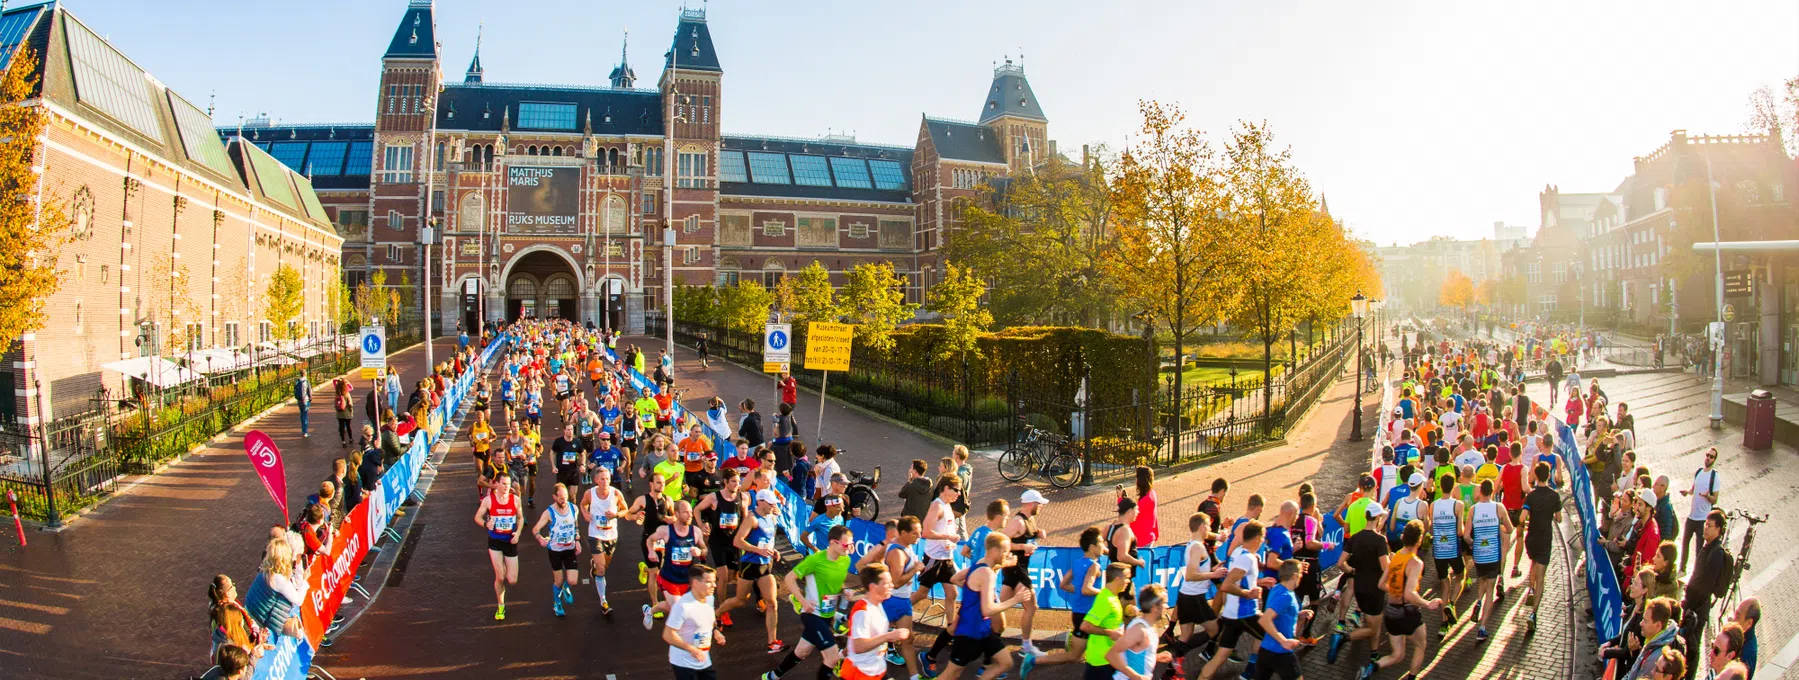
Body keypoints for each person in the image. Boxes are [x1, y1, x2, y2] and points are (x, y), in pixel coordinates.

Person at [760, 524, 855, 680]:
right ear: (833, 543)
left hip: (827, 616)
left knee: (802, 652)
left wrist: (844, 591)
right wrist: (802, 601)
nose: (849, 548)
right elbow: (790, 578)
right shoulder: (815, 560)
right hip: (812, 615)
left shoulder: (845, 561)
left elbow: (835, 583)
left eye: (851, 544)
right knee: (831, 658)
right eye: (846, 545)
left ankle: (773, 676)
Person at [1355, 520, 1441, 680]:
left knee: (1398, 655)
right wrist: (1427, 603)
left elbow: (1381, 584)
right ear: (1419, 539)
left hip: (1391, 612)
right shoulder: (1415, 563)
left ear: (1404, 537)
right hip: (1407, 611)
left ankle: (1370, 669)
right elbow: (1409, 594)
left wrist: (1396, 590)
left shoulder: (1395, 557)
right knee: (1421, 646)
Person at [937, 533, 1030, 680]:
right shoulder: (987, 574)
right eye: (1005, 551)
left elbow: (959, 578)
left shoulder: (982, 563)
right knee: (950, 675)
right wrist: (1015, 600)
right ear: (994, 551)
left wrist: (1006, 563)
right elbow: (988, 609)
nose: (1008, 554)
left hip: (984, 631)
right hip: (969, 633)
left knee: (1005, 662)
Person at [718, 488, 787, 654]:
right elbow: (737, 541)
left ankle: (772, 642)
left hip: (766, 565)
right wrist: (758, 550)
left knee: (772, 603)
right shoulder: (752, 518)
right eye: (770, 503)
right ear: (761, 502)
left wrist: (774, 551)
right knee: (741, 600)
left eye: (773, 504)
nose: (772, 506)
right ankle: (717, 613)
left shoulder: (772, 517)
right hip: (750, 564)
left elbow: (768, 540)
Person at [1197, 520, 1268, 680]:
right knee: (1275, 640)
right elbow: (1226, 585)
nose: (1263, 541)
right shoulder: (1247, 558)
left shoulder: (1237, 552)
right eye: (1263, 538)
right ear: (1257, 537)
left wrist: (1259, 582)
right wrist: (1248, 594)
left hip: (1231, 615)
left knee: (1221, 656)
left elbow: (1237, 580)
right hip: (1245, 613)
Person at [1331, 503, 1391, 664]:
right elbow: (1386, 568)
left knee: (1369, 622)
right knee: (1374, 628)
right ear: (1377, 518)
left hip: (1359, 588)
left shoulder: (1356, 537)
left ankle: (1373, 654)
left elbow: (1340, 563)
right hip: (1375, 589)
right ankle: (1345, 638)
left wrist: (1352, 571)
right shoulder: (1380, 540)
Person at [1683, 510, 1730, 680]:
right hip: (1693, 605)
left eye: (1709, 526)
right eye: (1705, 525)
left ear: (1718, 530)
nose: (1705, 529)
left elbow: (1705, 585)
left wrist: (1690, 605)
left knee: (1692, 648)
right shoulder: (1707, 546)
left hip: (1698, 609)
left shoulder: (1716, 553)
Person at [843, 563, 911, 680]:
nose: (892, 585)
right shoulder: (863, 612)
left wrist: (840, 655)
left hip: (876, 670)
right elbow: (859, 646)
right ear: (873, 587)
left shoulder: (878, 604)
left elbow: (853, 641)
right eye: (887, 583)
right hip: (860, 674)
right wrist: (888, 636)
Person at [1464, 479, 1512, 641]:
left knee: (1481, 582)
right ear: (1492, 492)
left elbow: (1466, 535)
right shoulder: (1499, 508)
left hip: (1478, 554)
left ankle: (1478, 601)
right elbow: (1510, 528)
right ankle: (1482, 628)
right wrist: (1497, 527)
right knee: (1490, 590)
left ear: (1480, 493)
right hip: (1493, 555)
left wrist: (1473, 544)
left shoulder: (1473, 510)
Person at [1520, 462, 1562, 630]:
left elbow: (1522, 518)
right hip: (1545, 538)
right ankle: (1533, 614)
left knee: (1533, 563)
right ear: (1549, 475)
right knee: (1541, 577)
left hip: (1532, 537)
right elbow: (1559, 519)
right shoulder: (1554, 496)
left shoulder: (1531, 496)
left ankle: (1530, 588)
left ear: (1536, 476)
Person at [581, 466, 628, 616]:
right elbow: (583, 504)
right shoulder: (590, 493)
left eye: (607, 478)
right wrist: (585, 514)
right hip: (595, 534)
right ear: (596, 480)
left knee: (604, 566)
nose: (605, 481)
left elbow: (625, 510)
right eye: (602, 479)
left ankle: (595, 565)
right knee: (601, 569)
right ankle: (603, 601)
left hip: (611, 535)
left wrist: (615, 515)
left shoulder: (616, 494)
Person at [474, 474, 523, 620]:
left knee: (512, 580)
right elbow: (477, 517)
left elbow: (520, 518)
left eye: (508, 484)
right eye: (503, 484)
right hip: (495, 542)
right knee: (500, 577)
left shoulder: (516, 500)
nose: (506, 487)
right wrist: (485, 524)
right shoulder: (489, 500)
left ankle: (506, 568)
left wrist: (518, 533)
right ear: (497, 484)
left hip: (510, 542)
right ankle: (501, 605)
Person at [664, 564, 724, 680]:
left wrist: (715, 631)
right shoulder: (682, 606)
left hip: (703, 660)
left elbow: (708, 620)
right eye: (709, 582)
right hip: (684, 663)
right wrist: (691, 649)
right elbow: (668, 634)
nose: (714, 585)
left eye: (714, 581)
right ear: (696, 583)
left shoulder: (709, 598)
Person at [531, 483, 583, 617]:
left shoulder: (574, 509)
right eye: (560, 498)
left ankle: (566, 588)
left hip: (570, 549)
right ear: (554, 497)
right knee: (558, 581)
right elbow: (535, 529)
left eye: (565, 497)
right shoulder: (549, 512)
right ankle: (557, 603)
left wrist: (577, 540)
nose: (564, 500)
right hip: (555, 551)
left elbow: (575, 525)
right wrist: (540, 539)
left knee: (573, 581)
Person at [1254, 562, 1311, 680]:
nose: (1301, 578)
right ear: (1294, 576)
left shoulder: (1277, 589)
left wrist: (1299, 614)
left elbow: (1278, 612)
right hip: (1281, 652)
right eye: (1300, 575)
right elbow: (1265, 620)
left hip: (1266, 650)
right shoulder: (1286, 596)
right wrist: (1283, 640)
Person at [1108, 585, 1172, 680]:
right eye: (1164, 603)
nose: (1167, 606)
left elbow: (1137, 654)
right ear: (1154, 608)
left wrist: (1155, 657)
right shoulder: (1139, 630)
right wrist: (1136, 677)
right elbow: (1111, 655)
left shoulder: (1149, 627)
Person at [1429, 473, 1466, 634]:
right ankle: (1451, 603)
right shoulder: (1458, 505)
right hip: (1453, 549)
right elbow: (1459, 531)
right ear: (1454, 486)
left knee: (1444, 584)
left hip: (1438, 550)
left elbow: (1431, 528)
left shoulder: (1433, 505)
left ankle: (1443, 624)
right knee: (1461, 575)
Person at [1678, 447, 1721, 572]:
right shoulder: (1699, 472)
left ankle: (1696, 572)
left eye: (1711, 456)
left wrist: (1708, 496)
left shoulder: (1714, 476)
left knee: (1699, 549)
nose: (1708, 458)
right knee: (1685, 543)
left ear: (1714, 460)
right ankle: (1682, 569)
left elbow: (1715, 499)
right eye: (1707, 455)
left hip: (1703, 519)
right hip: (1692, 516)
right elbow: (1693, 490)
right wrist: (1687, 492)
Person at [1624, 598, 1682, 680]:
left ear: (1658, 625)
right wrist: (1634, 651)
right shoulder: (1653, 640)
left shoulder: (1656, 657)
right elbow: (1633, 671)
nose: (1641, 623)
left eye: (1645, 620)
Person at [208, 574, 264, 658]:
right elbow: (239, 637)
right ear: (227, 594)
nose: (234, 586)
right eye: (232, 585)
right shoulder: (229, 613)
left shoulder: (219, 607)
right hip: (241, 657)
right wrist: (257, 644)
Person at [1108, 497, 1145, 575]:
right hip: (1122, 579)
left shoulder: (1109, 527)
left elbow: (1097, 544)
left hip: (1112, 578)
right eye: (1136, 509)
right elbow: (1122, 556)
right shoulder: (1125, 531)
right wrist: (1139, 562)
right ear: (1130, 511)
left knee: (1107, 588)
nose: (1138, 512)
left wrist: (1111, 553)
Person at [1127, 466, 1160, 546]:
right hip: (1147, 537)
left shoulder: (1146, 500)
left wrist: (1121, 500)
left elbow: (1129, 516)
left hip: (1142, 540)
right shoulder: (1151, 493)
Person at [1730, 598, 1761, 679]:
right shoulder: (1738, 635)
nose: (1733, 619)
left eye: (1738, 616)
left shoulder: (1746, 655)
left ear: (1749, 623)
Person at [333, 378, 355, 446]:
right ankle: (350, 439)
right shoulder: (346, 393)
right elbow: (350, 403)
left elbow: (335, 404)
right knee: (348, 426)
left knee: (341, 427)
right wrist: (351, 411)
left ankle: (343, 441)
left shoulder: (336, 394)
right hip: (347, 413)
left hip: (339, 413)